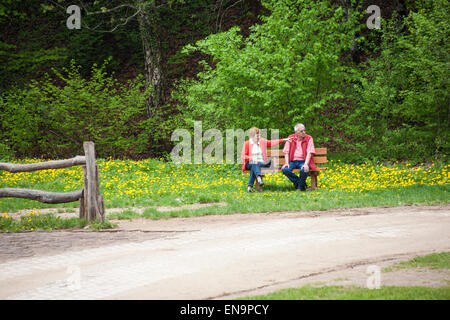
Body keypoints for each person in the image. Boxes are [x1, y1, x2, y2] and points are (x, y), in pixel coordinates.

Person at [241, 127, 289, 193]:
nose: (259, 137)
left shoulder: (262, 141)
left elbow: (272, 142)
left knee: (255, 166)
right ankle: (259, 177)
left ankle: (249, 187)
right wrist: (252, 158)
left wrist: (283, 140)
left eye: (259, 135)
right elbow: (242, 156)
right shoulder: (247, 143)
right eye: (257, 136)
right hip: (249, 163)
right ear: (252, 136)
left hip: (259, 163)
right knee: (255, 163)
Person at [281, 123, 317, 191]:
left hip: (304, 161)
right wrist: (286, 163)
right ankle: (301, 184)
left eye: (304, 130)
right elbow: (286, 152)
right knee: (285, 169)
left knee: (304, 170)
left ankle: (300, 187)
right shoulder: (291, 138)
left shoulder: (309, 138)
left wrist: (306, 164)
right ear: (296, 132)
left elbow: (309, 152)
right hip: (293, 161)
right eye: (301, 131)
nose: (304, 132)